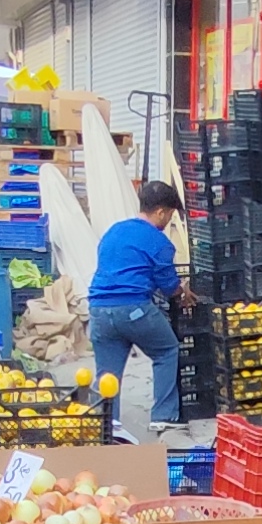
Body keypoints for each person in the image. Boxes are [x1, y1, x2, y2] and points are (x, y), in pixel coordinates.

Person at [88, 180, 189, 440]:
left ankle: (107, 424)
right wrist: (184, 292)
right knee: (166, 349)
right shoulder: (158, 241)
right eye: (169, 214)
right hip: (133, 309)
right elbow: (168, 286)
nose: (168, 220)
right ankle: (164, 417)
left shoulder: (114, 231)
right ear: (160, 212)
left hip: (98, 309)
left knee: (108, 372)